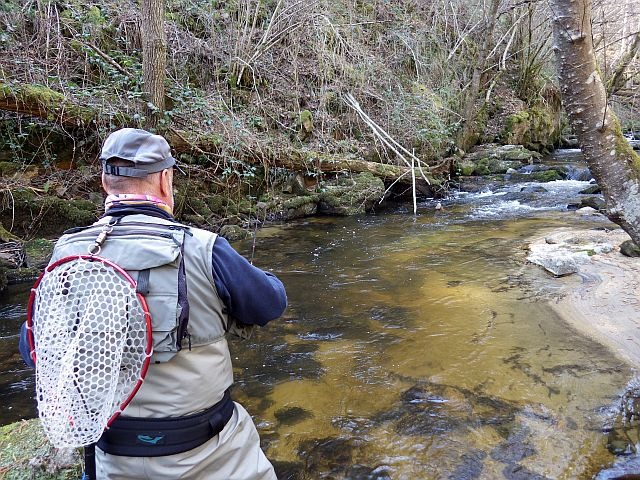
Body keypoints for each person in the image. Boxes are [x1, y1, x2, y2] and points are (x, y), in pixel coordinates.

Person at [19, 128, 287, 479]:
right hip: (209, 451)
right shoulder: (205, 248)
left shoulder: (66, 254)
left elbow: (33, 351)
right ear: (165, 179)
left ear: (104, 181)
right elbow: (270, 304)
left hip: (111, 456)